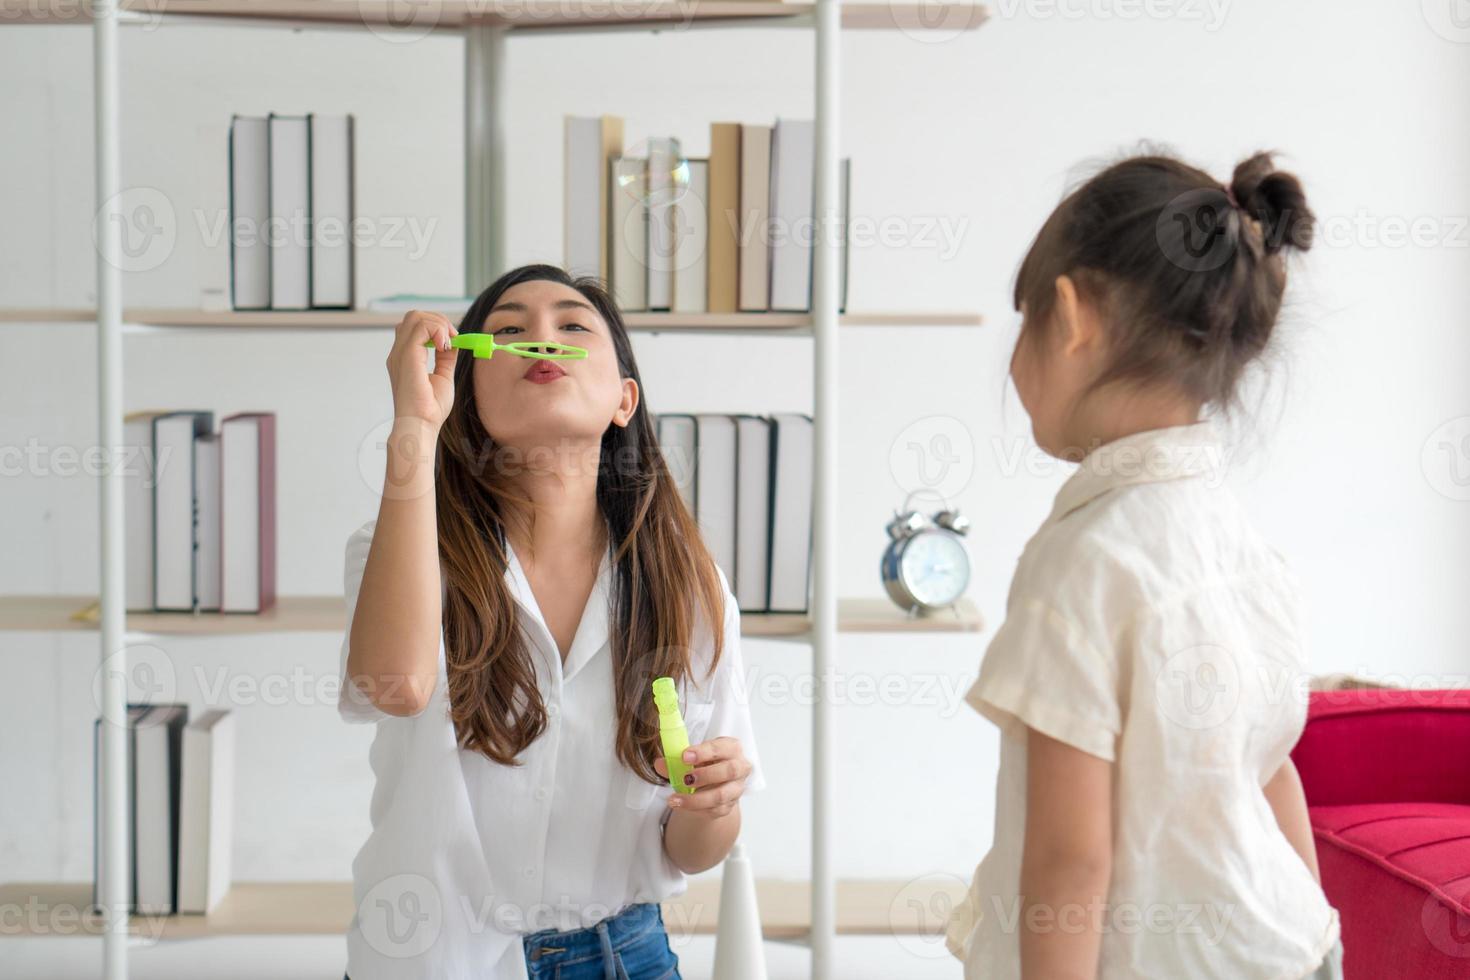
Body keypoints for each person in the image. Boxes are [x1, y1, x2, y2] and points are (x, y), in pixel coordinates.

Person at [945, 152, 1343, 980]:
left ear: (1071, 315)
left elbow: (1068, 860)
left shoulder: (1080, 567)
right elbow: (1272, 772)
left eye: (1023, 323)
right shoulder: (1241, 545)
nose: (1013, 364)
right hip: (1289, 946)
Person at [338, 264, 765, 979]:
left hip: (625, 958)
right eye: (506, 330)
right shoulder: (402, 548)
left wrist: (713, 804)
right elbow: (397, 686)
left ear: (623, 399)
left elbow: (690, 850)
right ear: (466, 391)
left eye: (571, 325)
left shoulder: (689, 587)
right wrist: (414, 426)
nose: (541, 338)